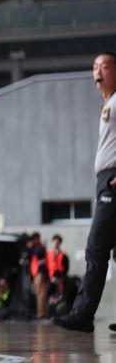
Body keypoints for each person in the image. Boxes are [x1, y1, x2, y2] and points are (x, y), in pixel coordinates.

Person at [55, 51, 116, 333]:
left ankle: (82, 314)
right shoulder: (109, 103)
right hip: (106, 181)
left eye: (105, 66)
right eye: (94, 67)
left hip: (112, 180)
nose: (98, 71)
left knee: (96, 248)